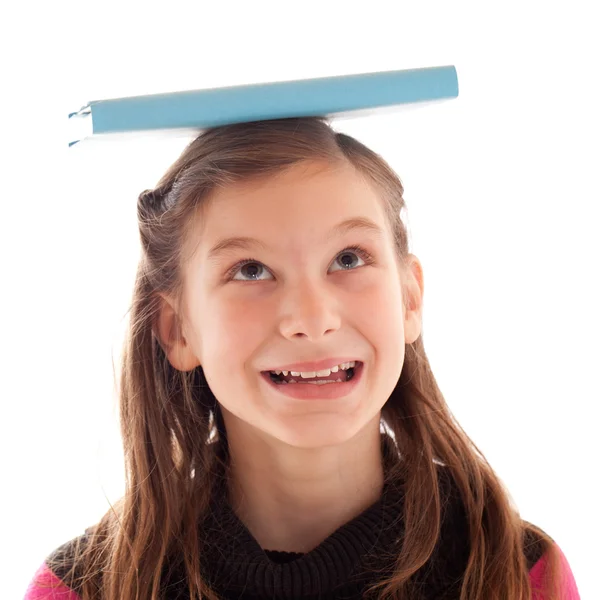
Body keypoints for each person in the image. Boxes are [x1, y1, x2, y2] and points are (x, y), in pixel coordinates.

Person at [25, 117, 580, 599]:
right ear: (177, 329)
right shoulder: (84, 589)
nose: (312, 318)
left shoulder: (519, 573)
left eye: (347, 257)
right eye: (250, 270)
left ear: (409, 298)